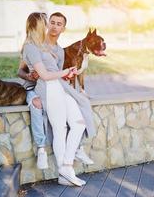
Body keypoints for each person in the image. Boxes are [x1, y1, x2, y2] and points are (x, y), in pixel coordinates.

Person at [21, 12, 96, 186]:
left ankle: (67, 166)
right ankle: (64, 175)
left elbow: (55, 71)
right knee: (60, 129)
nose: (50, 26)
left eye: (55, 23)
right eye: (47, 23)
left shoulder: (46, 46)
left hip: (60, 87)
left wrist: (70, 73)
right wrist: (65, 72)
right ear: (38, 25)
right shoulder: (31, 47)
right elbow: (45, 75)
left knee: (79, 122)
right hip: (48, 89)